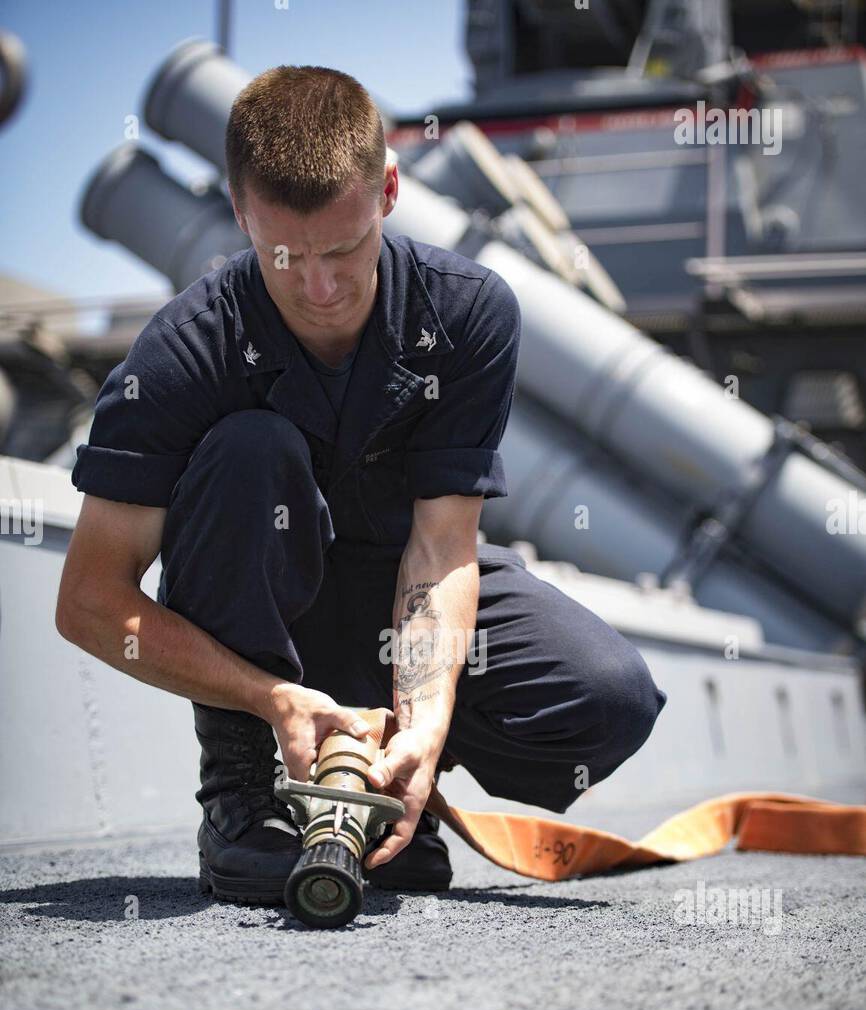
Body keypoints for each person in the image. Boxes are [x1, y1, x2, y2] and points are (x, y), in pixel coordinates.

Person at [56, 64, 666, 904]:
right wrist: (269, 699)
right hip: (266, 632)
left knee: (607, 698)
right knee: (249, 449)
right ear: (239, 213)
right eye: (285, 256)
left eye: (343, 249)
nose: (320, 288)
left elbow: (442, 545)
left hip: (397, 589)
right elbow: (90, 600)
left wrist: (422, 730)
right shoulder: (180, 355)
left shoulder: (466, 315)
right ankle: (242, 801)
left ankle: (384, 787)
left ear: (387, 190)